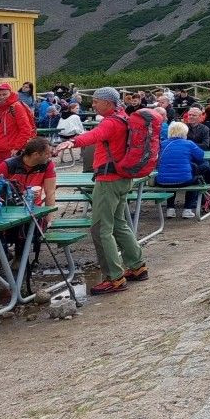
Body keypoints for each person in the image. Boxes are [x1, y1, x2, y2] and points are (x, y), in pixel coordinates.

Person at [54, 87, 148, 294]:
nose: (93, 104)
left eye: (96, 101)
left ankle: (114, 278)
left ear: (108, 103)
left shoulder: (110, 122)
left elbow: (94, 135)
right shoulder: (124, 118)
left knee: (100, 229)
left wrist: (72, 142)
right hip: (123, 178)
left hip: (108, 181)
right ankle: (137, 266)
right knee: (119, 224)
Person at [157, 121, 210, 218]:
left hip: (162, 181)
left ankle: (170, 209)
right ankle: (187, 209)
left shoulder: (162, 144)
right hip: (184, 180)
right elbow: (200, 156)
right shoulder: (189, 144)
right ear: (185, 132)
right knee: (199, 174)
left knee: (171, 177)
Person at [0, 82, 35, 166]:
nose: (1, 97)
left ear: (10, 93)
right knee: (0, 174)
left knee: (11, 174)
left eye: (4, 94)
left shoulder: (16, 107)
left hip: (10, 151)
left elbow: (26, 129)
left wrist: (17, 148)